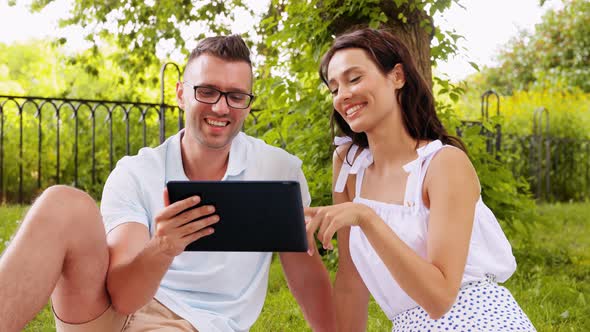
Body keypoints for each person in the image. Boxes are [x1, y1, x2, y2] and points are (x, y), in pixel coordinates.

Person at [0, 35, 336, 332]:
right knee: (62, 203)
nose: (221, 106)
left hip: (191, 324)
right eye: (207, 91)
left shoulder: (278, 170)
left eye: (236, 96)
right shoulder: (136, 172)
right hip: (110, 312)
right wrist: (163, 247)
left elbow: (305, 271)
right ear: (180, 94)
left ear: (248, 104)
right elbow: (124, 297)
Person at [304, 28, 536, 331]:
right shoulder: (348, 165)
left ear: (397, 76)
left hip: (476, 318)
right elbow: (350, 280)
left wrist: (367, 218)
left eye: (354, 78)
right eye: (333, 88)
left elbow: (439, 299)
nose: (343, 95)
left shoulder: (443, 165)